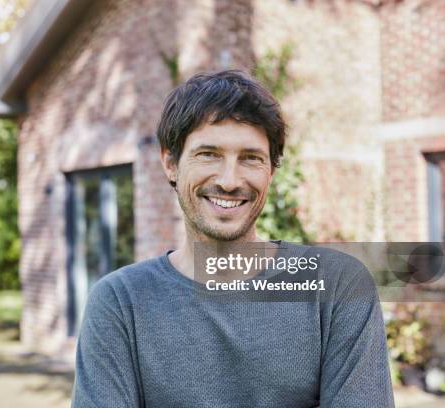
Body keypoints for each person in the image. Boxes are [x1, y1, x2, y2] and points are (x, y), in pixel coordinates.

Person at [71, 70, 394, 407]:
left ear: (271, 171)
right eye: (208, 154)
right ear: (171, 163)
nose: (229, 180)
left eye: (250, 158)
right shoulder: (120, 304)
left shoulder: (338, 286)